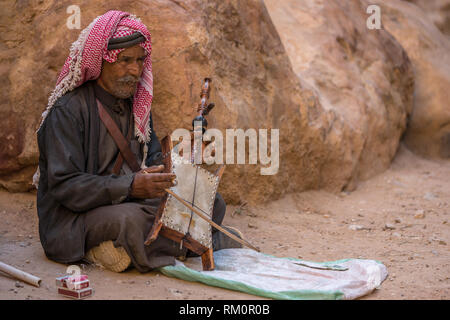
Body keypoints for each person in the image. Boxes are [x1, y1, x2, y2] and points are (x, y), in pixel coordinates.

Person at [35, 10, 242, 273]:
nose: (135, 70)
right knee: (131, 220)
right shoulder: (68, 111)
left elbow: (154, 161)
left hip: (129, 200)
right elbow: (66, 187)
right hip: (75, 218)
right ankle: (198, 243)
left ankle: (128, 249)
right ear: (101, 60)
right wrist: (130, 186)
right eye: (124, 61)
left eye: (140, 60)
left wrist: (182, 160)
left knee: (210, 201)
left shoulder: (137, 106)